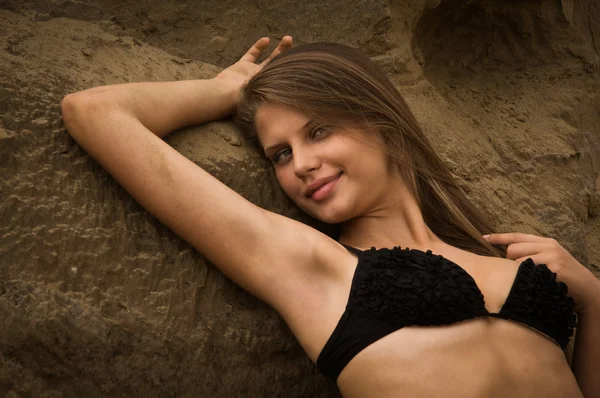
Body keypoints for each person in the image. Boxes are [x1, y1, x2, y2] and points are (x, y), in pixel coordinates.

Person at [60, 36, 600, 397]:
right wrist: (225, 92)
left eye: (318, 131)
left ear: (383, 123)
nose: (302, 164)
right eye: (281, 154)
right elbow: (95, 111)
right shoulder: (309, 264)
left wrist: (595, 303)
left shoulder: (510, 260)